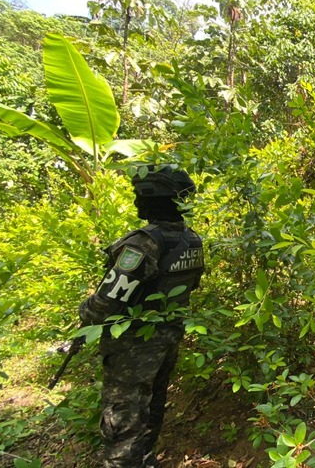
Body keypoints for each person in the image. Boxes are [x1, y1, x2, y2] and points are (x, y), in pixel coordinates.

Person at [79, 165, 205, 468]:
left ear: (153, 199)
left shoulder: (142, 243)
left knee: (123, 416)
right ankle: (146, 459)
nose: (136, 202)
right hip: (168, 337)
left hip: (134, 346)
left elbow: (107, 302)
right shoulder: (192, 239)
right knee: (152, 405)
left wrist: (85, 311)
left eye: (139, 196)